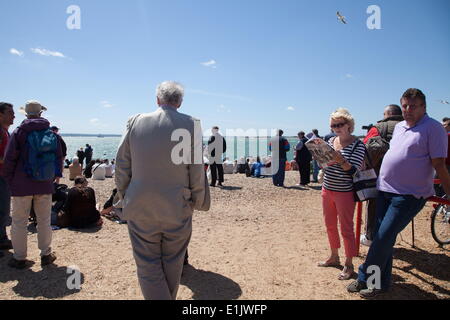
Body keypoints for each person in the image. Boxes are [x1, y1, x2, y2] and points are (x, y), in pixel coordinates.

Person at [348, 88, 450, 298]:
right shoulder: (401, 127)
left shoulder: (434, 128)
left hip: (409, 195)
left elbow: (439, 165)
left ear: (423, 107)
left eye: (413, 106)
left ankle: (364, 277)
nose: (407, 110)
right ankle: (380, 283)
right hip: (384, 190)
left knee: (383, 238)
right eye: (404, 105)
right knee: (381, 238)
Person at [115, 81, 210, 300]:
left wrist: (125, 193)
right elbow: (196, 169)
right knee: (173, 261)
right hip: (178, 203)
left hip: (140, 203)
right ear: (180, 102)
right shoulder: (191, 124)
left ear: (157, 99)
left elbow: (122, 164)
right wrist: (197, 198)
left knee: (147, 264)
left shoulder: (135, 121)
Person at [3, 100, 63, 268]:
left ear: (26, 114)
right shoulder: (51, 133)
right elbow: (59, 157)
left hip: (22, 184)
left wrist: (9, 180)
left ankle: (19, 258)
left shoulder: (19, 132)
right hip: (44, 183)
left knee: (19, 221)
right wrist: (54, 177)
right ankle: (46, 255)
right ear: (41, 113)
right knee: (44, 220)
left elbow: (9, 158)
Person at [318, 108, 366, 281]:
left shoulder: (358, 144)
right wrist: (321, 157)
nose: (336, 128)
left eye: (339, 124)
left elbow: (354, 171)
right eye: (333, 125)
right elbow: (325, 164)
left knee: (346, 228)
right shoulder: (331, 140)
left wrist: (340, 159)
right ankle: (334, 256)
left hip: (344, 192)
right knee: (330, 225)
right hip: (327, 188)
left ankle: (349, 263)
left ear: (349, 125)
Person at [360, 105, 403, 246]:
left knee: (374, 205)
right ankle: (390, 236)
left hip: (380, 175)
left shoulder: (379, 128)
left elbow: (365, 150)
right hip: (405, 177)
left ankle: (370, 237)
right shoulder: (410, 125)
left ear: (387, 114)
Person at [0, 102, 15, 255]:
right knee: (2, 209)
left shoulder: (6, 132)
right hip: (1, 176)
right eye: (10, 112)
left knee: (4, 209)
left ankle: (2, 238)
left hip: (4, 176)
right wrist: (10, 160)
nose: (13, 116)